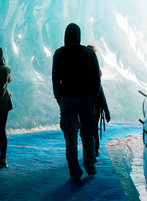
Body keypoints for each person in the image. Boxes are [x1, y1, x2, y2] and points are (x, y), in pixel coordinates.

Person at [51, 23, 101, 182]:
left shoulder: (59, 53)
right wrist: (94, 99)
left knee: (70, 136)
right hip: (86, 98)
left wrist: (60, 99)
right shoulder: (89, 53)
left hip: (67, 99)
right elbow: (97, 80)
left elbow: (54, 80)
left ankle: (75, 172)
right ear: (79, 35)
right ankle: (90, 166)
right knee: (88, 134)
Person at [88, 45, 111, 158]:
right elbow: (101, 93)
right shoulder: (95, 70)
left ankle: (92, 150)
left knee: (89, 130)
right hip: (95, 107)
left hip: (87, 106)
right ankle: (94, 150)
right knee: (92, 129)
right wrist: (106, 111)